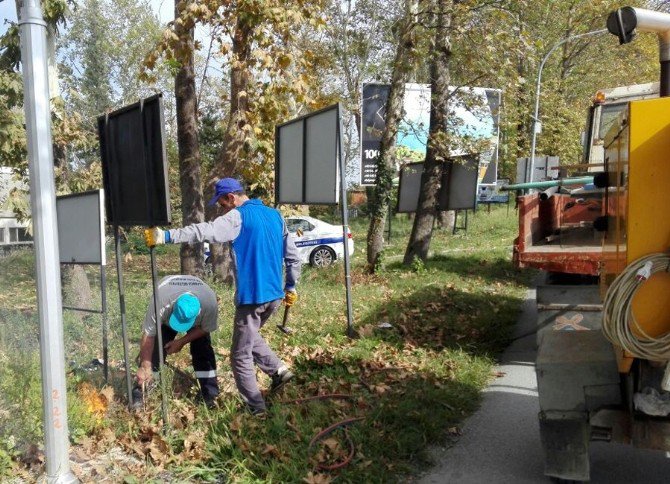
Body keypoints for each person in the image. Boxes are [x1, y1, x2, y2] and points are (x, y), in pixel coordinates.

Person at [144, 178, 301, 415]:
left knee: (240, 355)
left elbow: (203, 230)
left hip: (253, 297)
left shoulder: (237, 216)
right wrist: (291, 286)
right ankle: (279, 371)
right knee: (249, 335)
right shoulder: (276, 216)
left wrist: (166, 237)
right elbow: (293, 256)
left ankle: (256, 408)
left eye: (222, 204)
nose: (221, 210)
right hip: (275, 296)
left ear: (231, 198)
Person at [135, 274, 219, 408]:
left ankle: (209, 393)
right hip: (167, 307)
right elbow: (149, 335)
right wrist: (145, 365)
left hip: (197, 319)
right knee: (156, 348)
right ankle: (142, 388)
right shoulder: (160, 302)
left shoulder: (209, 303)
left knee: (202, 349)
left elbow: (205, 329)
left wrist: (181, 342)